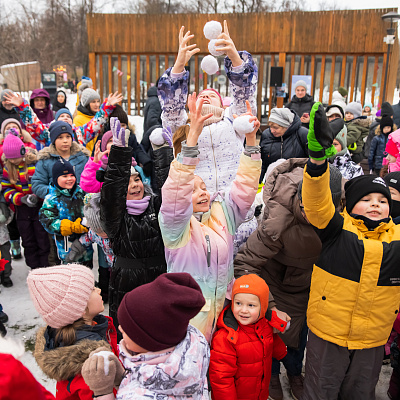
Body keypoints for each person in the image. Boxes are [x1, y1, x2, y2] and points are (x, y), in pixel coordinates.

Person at [300, 102, 400, 400]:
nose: (375, 204)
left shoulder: (397, 238)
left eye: (381, 200)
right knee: (321, 391)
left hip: (371, 339)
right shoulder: (336, 228)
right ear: (349, 204)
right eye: (366, 198)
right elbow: (316, 203)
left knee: (360, 393)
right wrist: (317, 161)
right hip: (328, 335)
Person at [234, 158, 342, 400]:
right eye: (306, 207)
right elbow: (245, 262)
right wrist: (268, 305)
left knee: (299, 339)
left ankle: (294, 373)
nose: (312, 214)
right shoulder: (279, 221)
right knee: (273, 335)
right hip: (277, 284)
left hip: (311, 286)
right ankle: (271, 374)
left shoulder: (340, 214)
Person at [159, 93, 261, 342]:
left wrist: (250, 142)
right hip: (189, 320)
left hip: (222, 314)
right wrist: (192, 136)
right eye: (192, 191)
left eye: (203, 186)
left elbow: (246, 186)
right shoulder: (176, 227)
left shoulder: (223, 212)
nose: (202, 192)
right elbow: (176, 188)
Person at [158, 22, 257, 197]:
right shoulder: (183, 126)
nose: (205, 96)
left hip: (234, 206)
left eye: (212, 95)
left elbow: (245, 95)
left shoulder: (233, 121)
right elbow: (171, 107)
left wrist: (235, 57)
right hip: (197, 208)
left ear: (221, 105)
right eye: (201, 95)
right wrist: (179, 65)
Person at [81, 273, 210, 400]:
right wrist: (123, 376)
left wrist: (102, 393)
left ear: (149, 341)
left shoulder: (137, 396)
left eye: (127, 330)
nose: (119, 329)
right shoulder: (195, 345)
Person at [100, 118, 173, 338]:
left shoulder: (155, 204)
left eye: (138, 180)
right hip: (126, 282)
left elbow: (168, 189)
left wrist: (162, 153)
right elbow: (112, 191)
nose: (135, 185)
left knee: (160, 331)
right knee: (129, 335)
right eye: (129, 181)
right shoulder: (115, 214)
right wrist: (120, 155)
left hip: (159, 276)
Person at [27, 264, 118, 400]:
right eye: (92, 289)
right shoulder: (90, 370)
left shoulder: (89, 329)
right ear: (79, 308)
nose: (99, 290)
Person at [209, 274, 288, 400]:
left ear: (263, 307)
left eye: (251, 305)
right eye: (238, 303)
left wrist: (282, 353)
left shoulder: (265, 324)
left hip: (260, 390)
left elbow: (270, 340)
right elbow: (221, 379)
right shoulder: (226, 338)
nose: (243, 310)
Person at [3, 90, 122, 148]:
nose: (65, 118)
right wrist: (22, 107)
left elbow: (96, 123)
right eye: (61, 116)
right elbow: (34, 124)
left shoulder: (80, 133)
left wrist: (107, 106)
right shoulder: (47, 134)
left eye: (68, 117)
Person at [1, 133, 49, 269]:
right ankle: (34, 268)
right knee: (28, 240)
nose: (14, 161)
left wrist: (36, 195)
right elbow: (6, 189)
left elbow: (44, 182)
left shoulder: (35, 163)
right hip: (22, 209)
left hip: (39, 207)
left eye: (16, 157)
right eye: (11, 159)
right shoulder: (8, 168)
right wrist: (20, 198)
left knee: (42, 238)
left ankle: (45, 267)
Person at [39, 159, 92, 265]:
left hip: (86, 248)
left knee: (86, 272)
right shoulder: (52, 198)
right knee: (70, 275)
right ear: (56, 178)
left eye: (71, 175)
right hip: (66, 249)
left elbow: (91, 210)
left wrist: (87, 222)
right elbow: (46, 220)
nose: (69, 179)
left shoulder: (81, 192)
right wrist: (67, 226)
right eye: (64, 176)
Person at [66, 192, 114, 303]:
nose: (102, 233)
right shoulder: (94, 234)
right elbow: (85, 239)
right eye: (98, 230)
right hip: (111, 264)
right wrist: (75, 250)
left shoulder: (118, 233)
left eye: (104, 229)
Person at [32, 121, 90, 199]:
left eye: (68, 136)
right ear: (53, 140)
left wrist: (82, 194)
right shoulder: (45, 160)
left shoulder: (83, 157)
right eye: (60, 137)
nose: (65, 140)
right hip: (57, 205)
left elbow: (92, 180)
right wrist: (57, 193)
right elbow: (37, 185)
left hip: (82, 203)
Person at [259, 107, 308, 182]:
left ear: (287, 126)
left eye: (276, 127)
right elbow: (262, 162)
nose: (272, 130)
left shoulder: (302, 134)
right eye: (270, 126)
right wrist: (258, 183)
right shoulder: (266, 135)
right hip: (272, 183)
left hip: (296, 183)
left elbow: (312, 161)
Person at [74, 88, 102, 152]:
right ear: (86, 104)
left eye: (98, 101)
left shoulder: (99, 118)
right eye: (93, 102)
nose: (97, 105)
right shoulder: (78, 120)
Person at [0, 192, 13, 287]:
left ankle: (6, 276)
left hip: (2, 236)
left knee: (5, 258)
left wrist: (5, 218)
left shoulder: (2, 202)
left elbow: (9, 214)